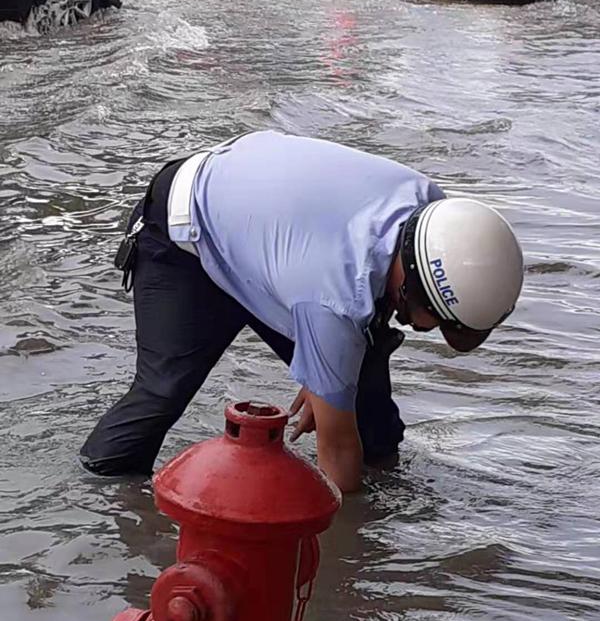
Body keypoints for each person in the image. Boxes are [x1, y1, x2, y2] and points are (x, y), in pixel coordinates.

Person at [80, 131, 523, 493]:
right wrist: (352, 549)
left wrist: (328, 381)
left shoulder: (436, 217)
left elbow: (356, 288)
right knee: (162, 392)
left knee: (372, 416)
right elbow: (338, 454)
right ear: (412, 289)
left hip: (276, 238)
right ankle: (98, 494)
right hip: (185, 230)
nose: (432, 332)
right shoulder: (335, 300)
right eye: (438, 323)